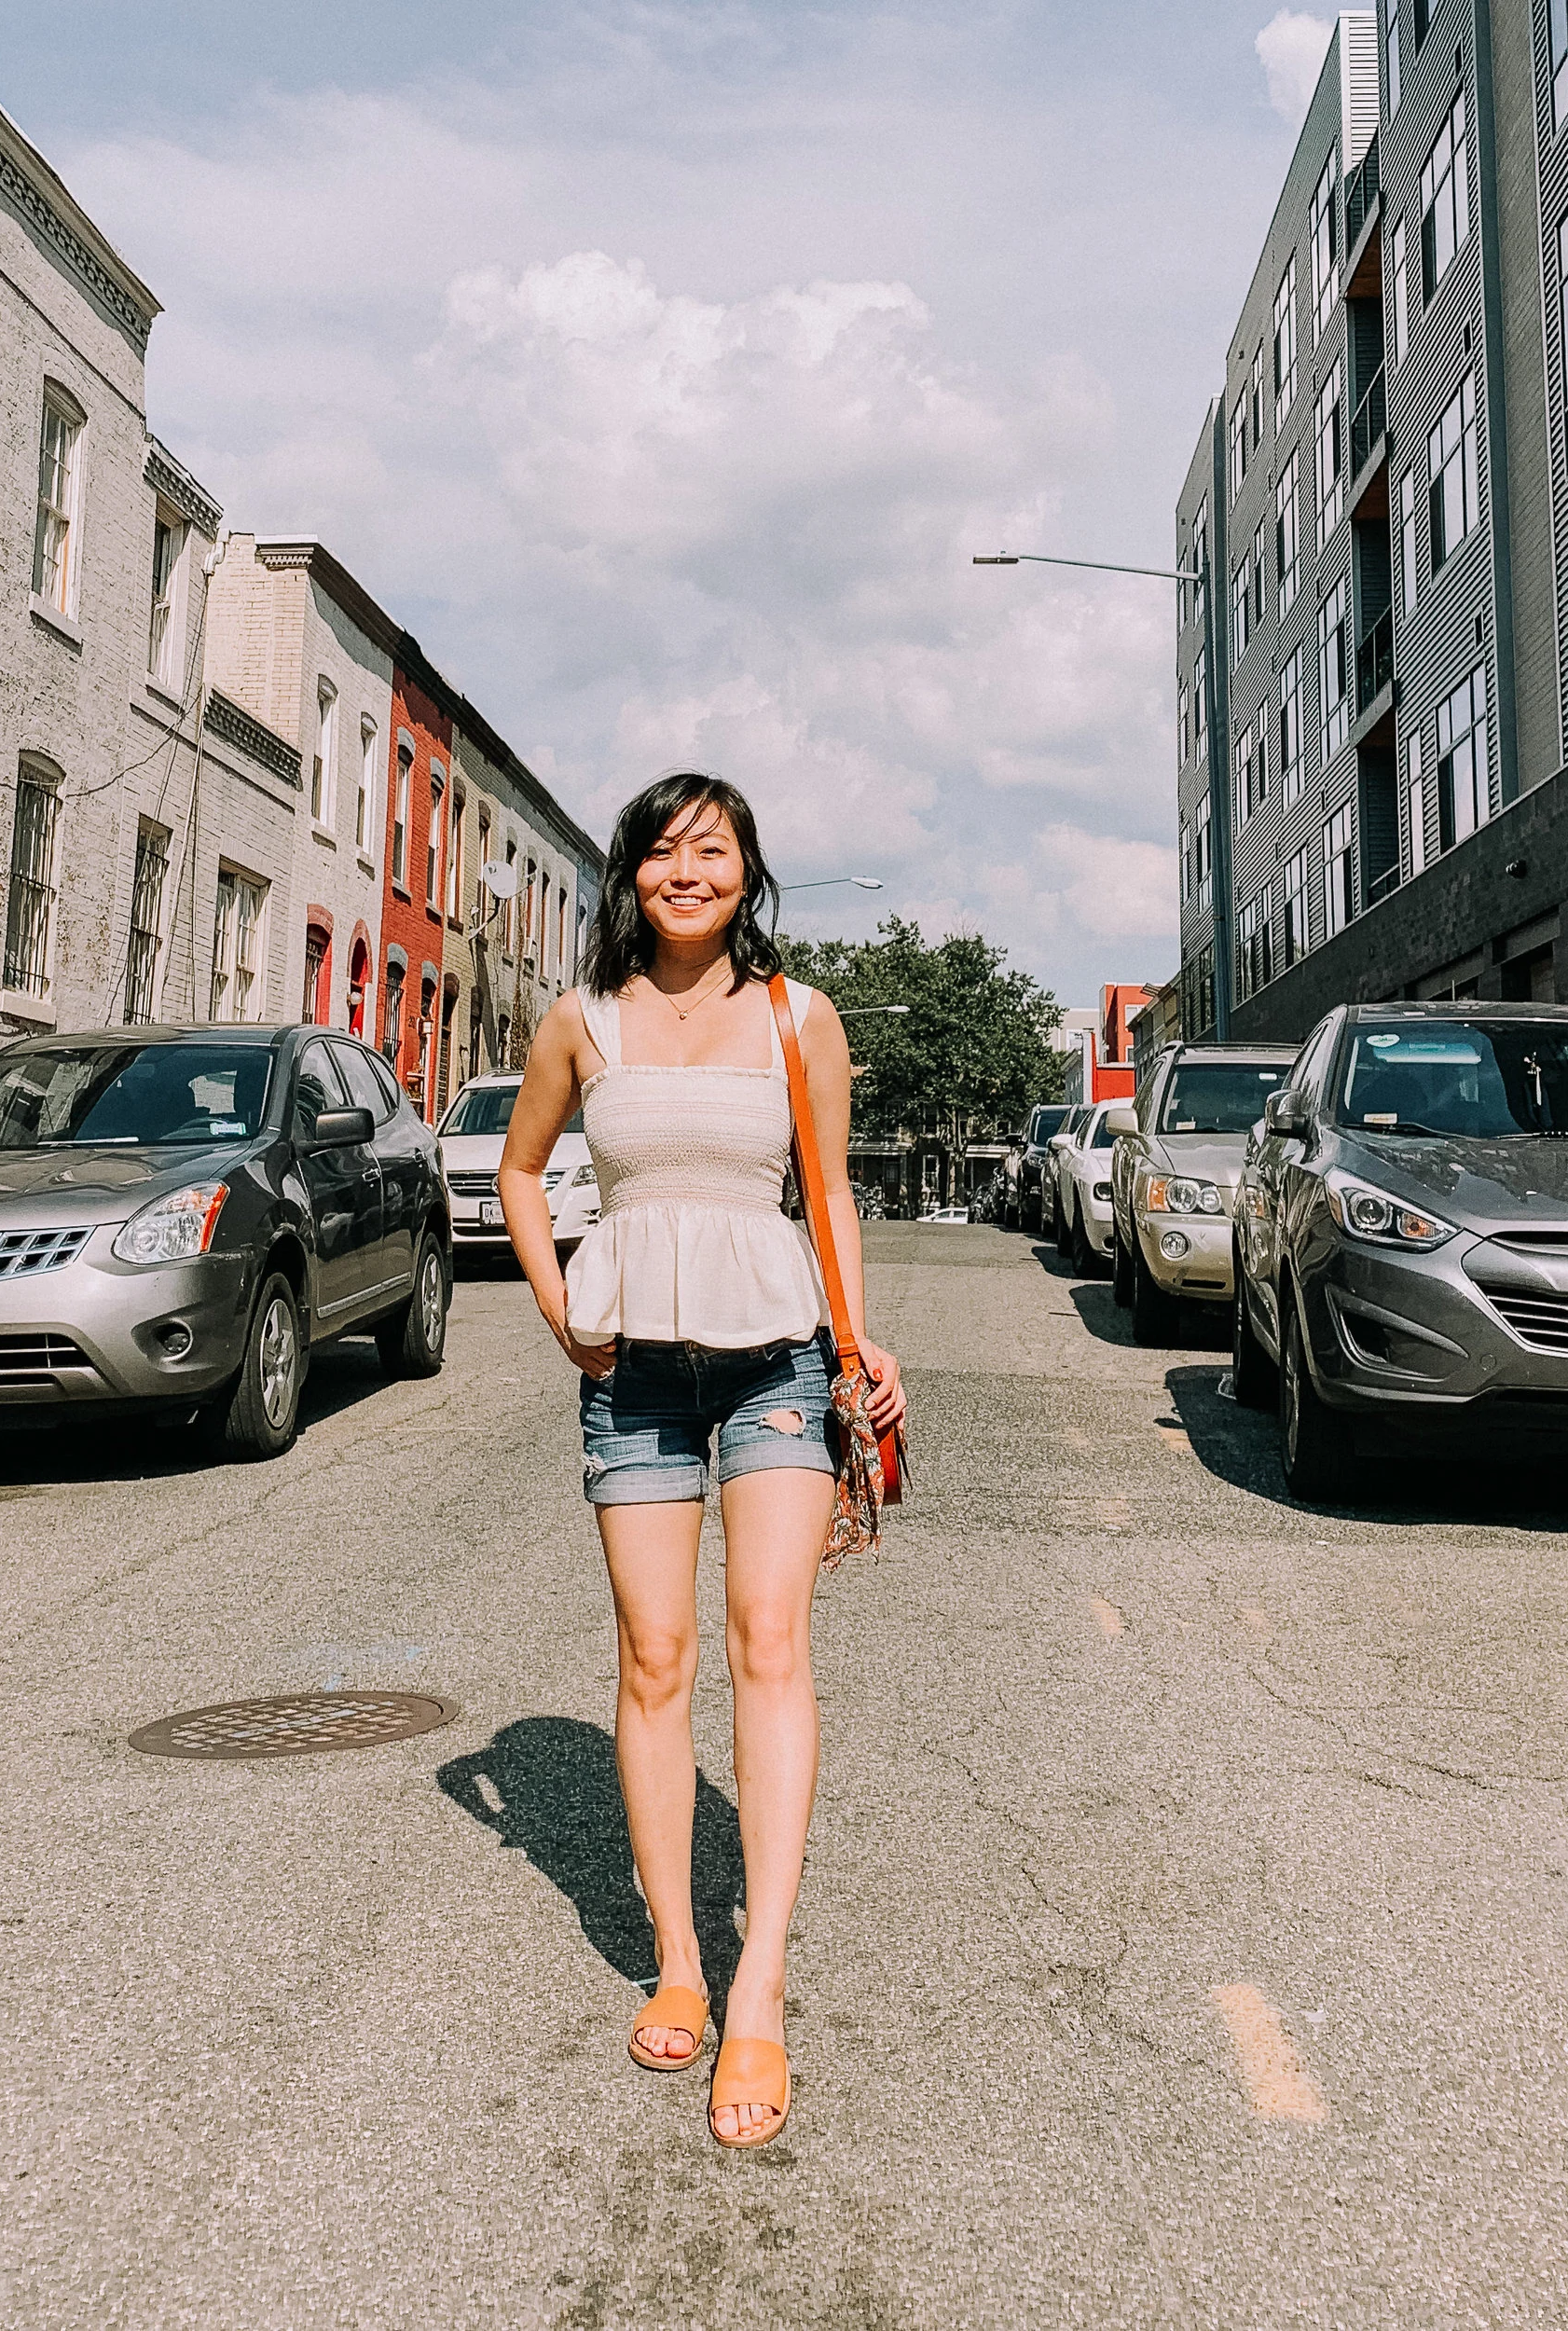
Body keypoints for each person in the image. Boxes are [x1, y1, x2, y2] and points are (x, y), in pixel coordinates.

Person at [497, 771, 905, 2149]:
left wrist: (859, 1343)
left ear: (748, 872)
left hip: (775, 1355)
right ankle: (679, 1949)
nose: (688, 871)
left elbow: (833, 1189)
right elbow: (517, 1170)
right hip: (633, 1371)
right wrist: (561, 1309)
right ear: (631, 873)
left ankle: (762, 1984)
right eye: (664, 851)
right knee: (655, 1657)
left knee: (767, 1639)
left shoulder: (799, 1015)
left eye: (713, 850)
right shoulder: (582, 1020)